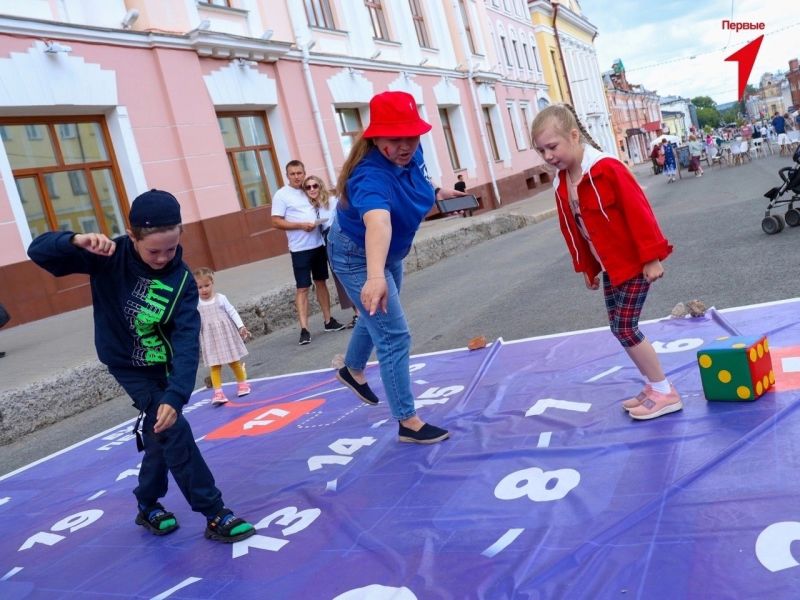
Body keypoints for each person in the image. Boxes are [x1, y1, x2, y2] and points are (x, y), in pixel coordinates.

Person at [27, 189, 256, 542]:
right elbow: (38, 252)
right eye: (154, 250)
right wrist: (74, 240)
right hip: (128, 366)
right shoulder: (108, 257)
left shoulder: (182, 281)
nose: (164, 257)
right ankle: (214, 513)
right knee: (174, 430)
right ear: (132, 236)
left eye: (171, 248)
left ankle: (147, 504)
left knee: (160, 432)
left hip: (163, 368)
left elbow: (184, 341)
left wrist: (177, 393)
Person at [327, 90, 463, 443]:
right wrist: (374, 277)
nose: (405, 145)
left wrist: (440, 194)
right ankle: (407, 421)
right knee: (393, 334)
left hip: (388, 253)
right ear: (376, 138)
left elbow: (420, 180)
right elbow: (378, 223)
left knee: (377, 318)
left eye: (411, 137)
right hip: (357, 253)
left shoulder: (410, 156)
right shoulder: (368, 176)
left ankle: (351, 368)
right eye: (395, 139)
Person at [531, 104, 681, 420]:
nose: (547, 155)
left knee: (625, 327)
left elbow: (638, 211)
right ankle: (653, 386)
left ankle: (665, 391)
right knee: (619, 328)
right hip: (612, 267)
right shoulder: (562, 181)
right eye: (541, 150)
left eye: (552, 147)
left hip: (634, 263)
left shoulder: (606, 168)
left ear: (574, 136)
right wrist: (588, 267)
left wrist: (652, 257)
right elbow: (573, 229)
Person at [271, 160, 345, 345]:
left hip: (319, 245)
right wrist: (300, 226)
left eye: (299, 173)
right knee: (302, 288)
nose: (297, 177)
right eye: (292, 174)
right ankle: (304, 329)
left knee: (321, 282)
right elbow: (276, 221)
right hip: (299, 249)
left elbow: (327, 201)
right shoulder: (282, 195)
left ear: (304, 173)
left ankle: (328, 320)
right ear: (287, 175)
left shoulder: (309, 190)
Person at [303, 174, 358, 329]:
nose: (312, 189)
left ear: (320, 186)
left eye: (315, 186)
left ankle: (360, 314)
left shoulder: (332, 201)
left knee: (347, 274)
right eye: (308, 187)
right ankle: (358, 313)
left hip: (339, 238)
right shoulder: (312, 207)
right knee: (340, 278)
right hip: (326, 242)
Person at [193, 267, 251, 406]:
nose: (204, 290)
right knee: (215, 366)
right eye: (200, 287)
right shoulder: (195, 303)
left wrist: (241, 327)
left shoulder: (221, 298)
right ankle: (218, 392)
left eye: (207, 285)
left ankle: (243, 384)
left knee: (234, 361)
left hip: (225, 335)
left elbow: (232, 312)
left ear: (212, 283)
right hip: (209, 338)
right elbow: (193, 320)